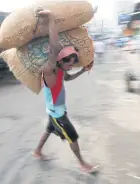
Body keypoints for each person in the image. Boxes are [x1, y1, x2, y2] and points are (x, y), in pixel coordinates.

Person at [32, 9, 97, 173]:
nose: (71, 65)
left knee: (48, 130)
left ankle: (37, 151)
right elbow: (54, 46)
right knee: (72, 137)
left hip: (55, 110)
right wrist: (51, 19)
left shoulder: (61, 71)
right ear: (60, 60)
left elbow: (67, 79)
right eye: (69, 62)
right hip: (57, 114)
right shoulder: (49, 69)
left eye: (73, 62)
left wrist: (82, 70)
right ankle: (82, 163)